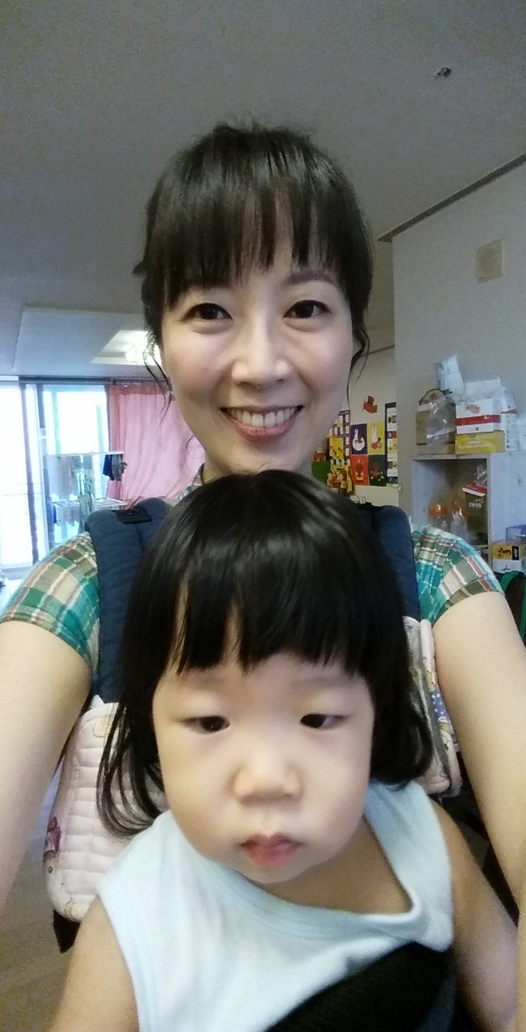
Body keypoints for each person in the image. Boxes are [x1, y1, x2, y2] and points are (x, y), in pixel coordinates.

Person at [0, 123, 525, 952]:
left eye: (306, 307)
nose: (260, 364)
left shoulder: (433, 572)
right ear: (162, 343)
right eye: (209, 309)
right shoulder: (88, 579)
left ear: (353, 334)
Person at [48, 470, 517, 1032]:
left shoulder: (422, 838)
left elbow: (509, 1005)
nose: (266, 778)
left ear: (376, 712)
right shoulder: (135, 920)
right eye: (210, 721)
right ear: (149, 719)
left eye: (317, 718)